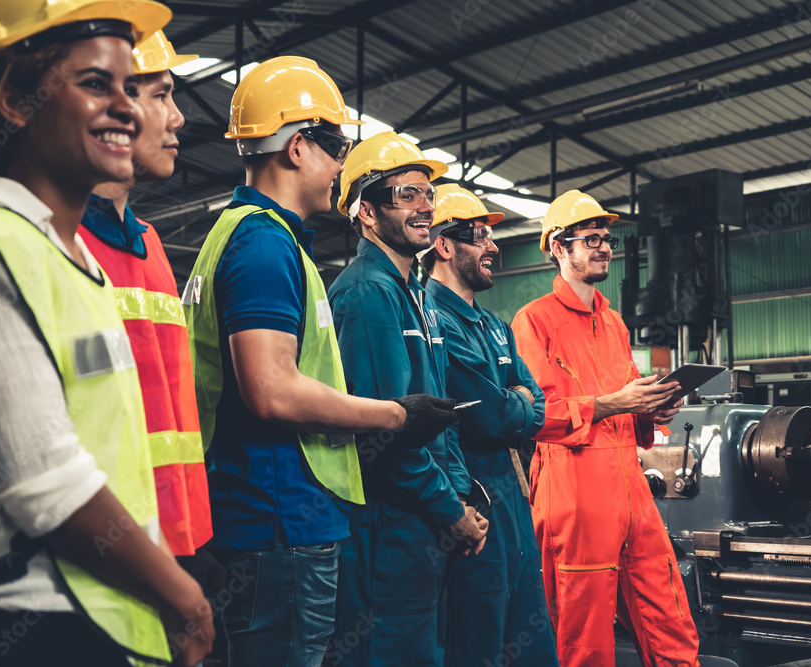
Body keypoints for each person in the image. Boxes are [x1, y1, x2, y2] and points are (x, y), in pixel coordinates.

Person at [0, 1, 213, 665]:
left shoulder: (74, 262)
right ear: (16, 99)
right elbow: (46, 483)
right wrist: (184, 596)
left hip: (98, 617)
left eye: (130, 86)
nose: (127, 108)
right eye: (97, 83)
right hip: (17, 622)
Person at [182, 58, 455, 667]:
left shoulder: (246, 234)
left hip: (266, 518)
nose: (340, 166)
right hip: (276, 522)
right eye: (337, 149)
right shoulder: (262, 243)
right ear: (299, 147)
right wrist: (395, 415)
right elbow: (271, 390)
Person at [510, 190, 698, 667]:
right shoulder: (533, 321)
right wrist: (615, 402)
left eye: (606, 239)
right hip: (573, 493)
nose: (603, 247)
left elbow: (622, 403)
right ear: (558, 247)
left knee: (668, 609)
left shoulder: (614, 323)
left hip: (630, 489)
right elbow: (537, 416)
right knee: (584, 633)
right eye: (589, 238)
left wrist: (651, 409)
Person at [325, 132, 489, 667]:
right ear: (366, 213)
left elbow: (438, 417)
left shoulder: (412, 292)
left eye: (427, 194)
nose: (424, 207)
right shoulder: (369, 291)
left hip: (423, 524)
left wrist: (462, 498)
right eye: (406, 195)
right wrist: (450, 511)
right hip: (389, 527)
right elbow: (389, 430)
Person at [79, 30, 214, 563]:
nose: (178, 117)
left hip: (175, 544)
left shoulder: (151, 246)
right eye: (161, 95)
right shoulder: (57, 245)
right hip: (105, 564)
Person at [420, 184, 559, 667]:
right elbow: (493, 416)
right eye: (480, 235)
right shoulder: (433, 316)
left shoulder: (494, 324)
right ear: (443, 245)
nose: (494, 247)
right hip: (475, 495)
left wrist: (516, 406)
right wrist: (514, 405)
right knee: (478, 638)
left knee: (531, 634)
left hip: (513, 498)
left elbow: (532, 406)